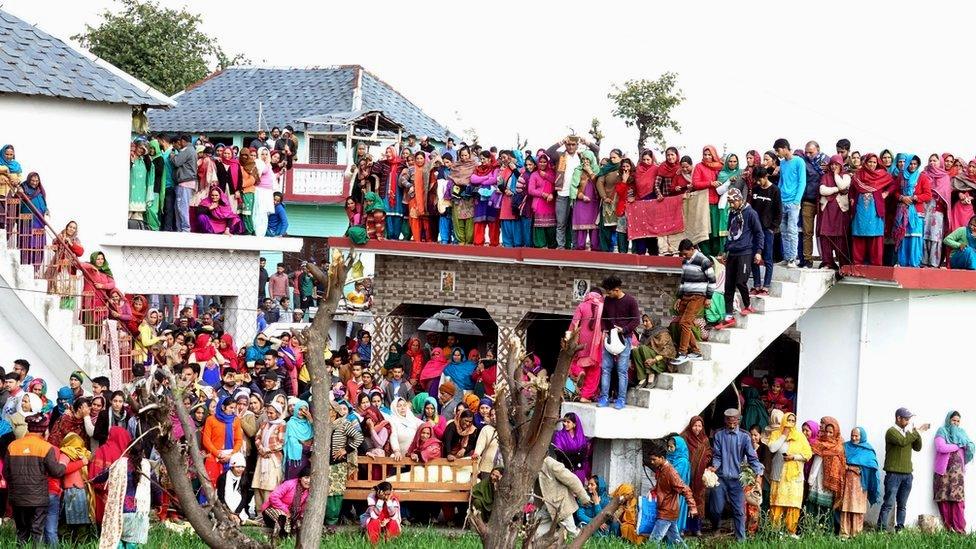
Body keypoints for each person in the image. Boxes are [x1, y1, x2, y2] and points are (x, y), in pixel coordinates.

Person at [6, 413, 67, 545]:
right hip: (38, 499)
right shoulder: (46, 447)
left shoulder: (13, 446)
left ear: (29, 427)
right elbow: (56, 472)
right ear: (44, 429)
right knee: (36, 532)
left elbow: (6, 472)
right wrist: (63, 463)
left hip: (17, 498)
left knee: (21, 532)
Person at [707, 408, 764, 541]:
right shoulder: (718, 435)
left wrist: (758, 473)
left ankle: (741, 540)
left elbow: (752, 458)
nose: (731, 423)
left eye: (734, 421)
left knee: (739, 510)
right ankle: (715, 527)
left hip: (737, 480)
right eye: (728, 420)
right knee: (716, 509)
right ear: (725, 420)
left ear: (739, 420)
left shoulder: (745, 436)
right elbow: (717, 456)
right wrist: (714, 467)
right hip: (720, 478)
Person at [715, 187, 762, 330]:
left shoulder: (751, 213)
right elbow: (730, 232)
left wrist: (758, 251)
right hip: (732, 253)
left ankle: (747, 305)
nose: (731, 204)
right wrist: (724, 251)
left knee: (741, 281)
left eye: (732, 201)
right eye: (729, 202)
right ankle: (728, 316)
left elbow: (759, 233)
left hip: (745, 252)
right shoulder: (732, 213)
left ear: (739, 199)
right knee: (728, 286)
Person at [878, 407, 930, 532]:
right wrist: (917, 432)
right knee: (888, 504)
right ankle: (881, 529)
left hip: (907, 474)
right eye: (906, 419)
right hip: (893, 474)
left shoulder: (908, 433)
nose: (907, 421)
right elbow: (902, 442)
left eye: (909, 419)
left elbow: (917, 447)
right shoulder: (891, 432)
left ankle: (899, 529)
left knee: (902, 505)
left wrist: (916, 433)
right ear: (898, 418)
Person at [765, 412, 812, 534]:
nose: (790, 423)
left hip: (795, 476)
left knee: (793, 504)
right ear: (784, 421)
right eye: (788, 420)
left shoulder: (800, 436)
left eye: (793, 421)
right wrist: (784, 435)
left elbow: (808, 454)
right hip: (779, 474)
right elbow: (772, 448)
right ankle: (775, 531)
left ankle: (791, 531)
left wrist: (794, 457)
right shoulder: (776, 433)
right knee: (777, 503)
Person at [598, 275, 639, 410]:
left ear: (616, 289)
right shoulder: (608, 300)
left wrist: (624, 329)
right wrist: (604, 330)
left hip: (624, 338)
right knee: (606, 369)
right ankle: (604, 397)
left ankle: (621, 399)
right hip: (609, 338)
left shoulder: (630, 301)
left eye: (609, 292)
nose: (607, 294)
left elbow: (636, 320)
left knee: (622, 370)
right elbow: (603, 318)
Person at [646, 441, 698, 546]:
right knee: (676, 539)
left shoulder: (670, 472)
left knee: (653, 541)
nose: (652, 462)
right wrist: (653, 490)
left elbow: (685, 489)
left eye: (654, 459)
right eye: (650, 459)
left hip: (667, 512)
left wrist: (693, 507)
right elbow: (663, 487)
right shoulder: (661, 469)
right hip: (668, 510)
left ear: (661, 458)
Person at [671, 240, 714, 365]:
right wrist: (679, 297)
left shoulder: (703, 260)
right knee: (681, 322)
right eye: (682, 254)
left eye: (685, 253)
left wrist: (709, 297)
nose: (684, 256)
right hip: (686, 295)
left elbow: (712, 280)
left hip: (698, 296)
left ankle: (683, 353)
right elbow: (683, 280)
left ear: (692, 249)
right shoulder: (685, 262)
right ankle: (696, 351)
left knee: (685, 323)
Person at [933, 410, 974, 533]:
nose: (955, 423)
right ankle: (948, 529)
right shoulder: (942, 431)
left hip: (958, 474)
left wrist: (967, 445)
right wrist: (958, 445)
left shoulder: (962, 433)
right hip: (943, 472)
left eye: (958, 421)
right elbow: (941, 447)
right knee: (944, 499)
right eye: (953, 420)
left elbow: (971, 445)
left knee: (957, 500)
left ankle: (960, 529)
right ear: (948, 420)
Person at [851, 154, 895, 265]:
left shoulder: (882, 175)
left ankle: (876, 265)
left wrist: (886, 193)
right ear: (865, 162)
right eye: (870, 162)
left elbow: (894, 184)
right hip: (860, 209)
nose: (872, 164)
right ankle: (858, 263)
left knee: (875, 236)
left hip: (875, 210)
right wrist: (851, 198)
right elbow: (852, 189)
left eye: (874, 162)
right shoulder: (858, 175)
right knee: (859, 235)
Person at [534, 454, 591, 538]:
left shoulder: (550, 464)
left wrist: (584, 497)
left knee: (572, 531)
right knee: (535, 532)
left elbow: (572, 480)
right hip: (547, 506)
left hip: (560, 505)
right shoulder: (535, 464)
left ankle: (585, 542)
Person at [839, 426, 880, 539]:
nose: (853, 438)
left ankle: (856, 534)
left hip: (860, 483)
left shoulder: (867, 450)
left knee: (857, 507)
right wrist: (849, 468)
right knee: (846, 506)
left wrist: (856, 469)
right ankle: (844, 533)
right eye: (852, 435)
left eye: (856, 436)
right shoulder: (845, 446)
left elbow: (872, 466)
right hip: (846, 482)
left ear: (862, 436)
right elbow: (839, 462)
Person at [894, 155, 933, 267]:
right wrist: (902, 198)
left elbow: (928, 195)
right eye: (910, 164)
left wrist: (915, 198)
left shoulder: (922, 177)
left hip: (916, 213)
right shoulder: (901, 176)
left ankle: (914, 263)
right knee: (903, 236)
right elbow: (895, 192)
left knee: (915, 236)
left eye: (915, 164)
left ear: (918, 165)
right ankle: (902, 262)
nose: (912, 166)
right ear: (906, 164)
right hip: (903, 212)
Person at [748, 166, 781, 294]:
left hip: (768, 230)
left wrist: (773, 228)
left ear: (765, 177)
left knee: (767, 258)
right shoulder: (756, 189)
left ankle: (766, 286)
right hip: (755, 229)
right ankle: (756, 285)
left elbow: (779, 212)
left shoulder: (775, 190)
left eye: (759, 180)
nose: (758, 182)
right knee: (754, 257)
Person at [807, 417, 845, 526]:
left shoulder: (839, 446)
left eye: (831, 432)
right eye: (826, 432)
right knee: (813, 501)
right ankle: (810, 526)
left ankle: (826, 528)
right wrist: (811, 478)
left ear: (836, 432)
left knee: (827, 505)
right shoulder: (819, 443)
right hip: (818, 477)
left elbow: (841, 464)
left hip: (831, 482)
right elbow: (816, 462)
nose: (828, 434)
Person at [569, 287, 604, 402]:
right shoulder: (603, 307)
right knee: (594, 370)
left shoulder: (582, 305)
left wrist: (570, 338)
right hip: (596, 345)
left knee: (575, 362)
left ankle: (580, 372)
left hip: (581, 343)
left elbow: (574, 323)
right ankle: (585, 396)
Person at [773, 139, 805, 267]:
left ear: (785, 148)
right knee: (783, 230)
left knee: (792, 230)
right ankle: (787, 257)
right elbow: (781, 181)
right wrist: (778, 198)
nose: (777, 153)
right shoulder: (783, 164)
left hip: (793, 202)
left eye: (778, 150)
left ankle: (793, 258)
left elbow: (802, 182)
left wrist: (797, 200)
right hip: (782, 201)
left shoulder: (799, 161)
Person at [817, 155, 851, 270]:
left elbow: (843, 185)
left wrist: (836, 175)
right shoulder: (825, 176)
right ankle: (828, 263)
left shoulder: (846, 176)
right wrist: (837, 190)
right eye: (832, 164)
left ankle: (844, 265)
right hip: (827, 210)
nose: (834, 166)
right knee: (825, 235)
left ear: (841, 165)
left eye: (836, 164)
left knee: (840, 237)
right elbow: (823, 190)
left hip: (840, 211)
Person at [681, 415, 712, 536]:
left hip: (699, 476)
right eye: (695, 425)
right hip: (687, 474)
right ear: (690, 426)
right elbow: (681, 453)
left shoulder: (705, 439)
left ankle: (696, 528)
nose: (697, 428)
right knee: (685, 499)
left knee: (698, 499)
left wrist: (704, 460)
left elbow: (709, 452)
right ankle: (683, 527)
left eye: (699, 426)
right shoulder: (684, 437)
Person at [202, 396, 243, 486]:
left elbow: (239, 440)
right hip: (213, 457)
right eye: (231, 407)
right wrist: (218, 454)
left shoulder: (235, 420)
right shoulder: (211, 420)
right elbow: (206, 440)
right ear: (223, 407)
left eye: (234, 408)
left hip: (231, 458)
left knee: (228, 486)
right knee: (211, 485)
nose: (233, 410)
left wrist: (231, 455)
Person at [252, 402, 286, 511]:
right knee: (258, 485)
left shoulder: (282, 424)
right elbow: (257, 437)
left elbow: (281, 442)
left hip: (273, 459)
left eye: (271, 413)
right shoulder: (264, 423)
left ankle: (269, 512)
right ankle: (259, 513)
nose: (269, 415)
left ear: (278, 413)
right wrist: (261, 449)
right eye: (268, 412)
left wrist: (268, 450)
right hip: (262, 457)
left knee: (270, 486)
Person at [261, 467, 311, 540]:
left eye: (311, 478)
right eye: (306, 477)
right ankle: (283, 539)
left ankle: (285, 538)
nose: (309, 481)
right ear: (300, 478)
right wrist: (286, 510)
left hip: (291, 515)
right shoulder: (289, 484)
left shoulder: (309, 491)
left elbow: (303, 508)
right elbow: (273, 497)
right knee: (283, 519)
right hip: (273, 509)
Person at [630, 315, 676, 388]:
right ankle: (643, 377)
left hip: (660, 362)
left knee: (643, 348)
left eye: (646, 321)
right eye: (643, 321)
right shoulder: (646, 333)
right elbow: (639, 347)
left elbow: (669, 351)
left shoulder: (662, 333)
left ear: (653, 322)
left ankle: (651, 375)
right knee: (635, 350)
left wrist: (655, 360)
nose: (644, 323)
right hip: (647, 361)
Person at [551, 412, 591, 484]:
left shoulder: (581, 437)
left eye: (568, 422)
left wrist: (570, 454)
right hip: (565, 469)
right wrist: (577, 454)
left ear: (574, 424)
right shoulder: (559, 435)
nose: (565, 424)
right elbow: (560, 453)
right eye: (564, 421)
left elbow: (583, 455)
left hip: (579, 471)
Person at [528, 152, 558, 248]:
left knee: (551, 226)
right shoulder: (534, 175)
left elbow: (556, 183)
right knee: (540, 226)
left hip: (551, 203)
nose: (542, 164)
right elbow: (530, 190)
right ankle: (540, 247)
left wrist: (546, 175)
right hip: (539, 203)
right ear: (537, 163)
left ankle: (552, 247)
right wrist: (543, 194)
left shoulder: (552, 173)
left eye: (544, 162)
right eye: (540, 162)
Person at [666, 435, 693, 533]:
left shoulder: (683, 462)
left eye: (672, 447)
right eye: (668, 447)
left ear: (678, 448)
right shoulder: (669, 458)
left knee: (676, 513)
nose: (669, 449)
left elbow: (675, 478)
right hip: (669, 492)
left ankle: (676, 534)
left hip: (678, 493)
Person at [283, 400, 313, 479]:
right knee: (293, 481)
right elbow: (292, 442)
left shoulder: (308, 424)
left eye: (305, 410)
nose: (301, 412)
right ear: (296, 410)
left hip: (307, 458)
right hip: (295, 459)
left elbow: (315, 434)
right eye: (300, 409)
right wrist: (307, 447)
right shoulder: (291, 423)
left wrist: (310, 419)